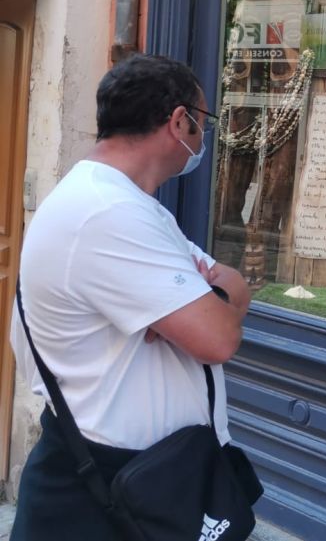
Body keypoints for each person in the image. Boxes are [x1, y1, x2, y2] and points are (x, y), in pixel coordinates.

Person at [9, 54, 252, 540]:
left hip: (146, 479)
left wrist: (202, 301)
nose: (204, 137)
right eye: (204, 122)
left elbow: (235, 286)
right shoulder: (106, 213)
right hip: (105, 490)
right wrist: (204, 303)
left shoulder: (132, 207)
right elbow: (219, 337)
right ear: (179, 120)